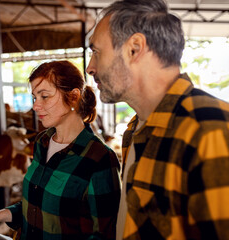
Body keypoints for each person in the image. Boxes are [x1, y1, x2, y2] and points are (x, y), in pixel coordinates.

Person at [86, 0, 229, 239]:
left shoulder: (209, 129)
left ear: (134, 48)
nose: (90, 68)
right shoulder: (136, 128)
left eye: (96, 52)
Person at [0, 60, 121, 240]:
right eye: (34, 97)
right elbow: (38, 202)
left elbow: (105, 235)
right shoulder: (43, 142)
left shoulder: (100, 158)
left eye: (44, 96)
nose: (35, 106)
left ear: (73, 97)